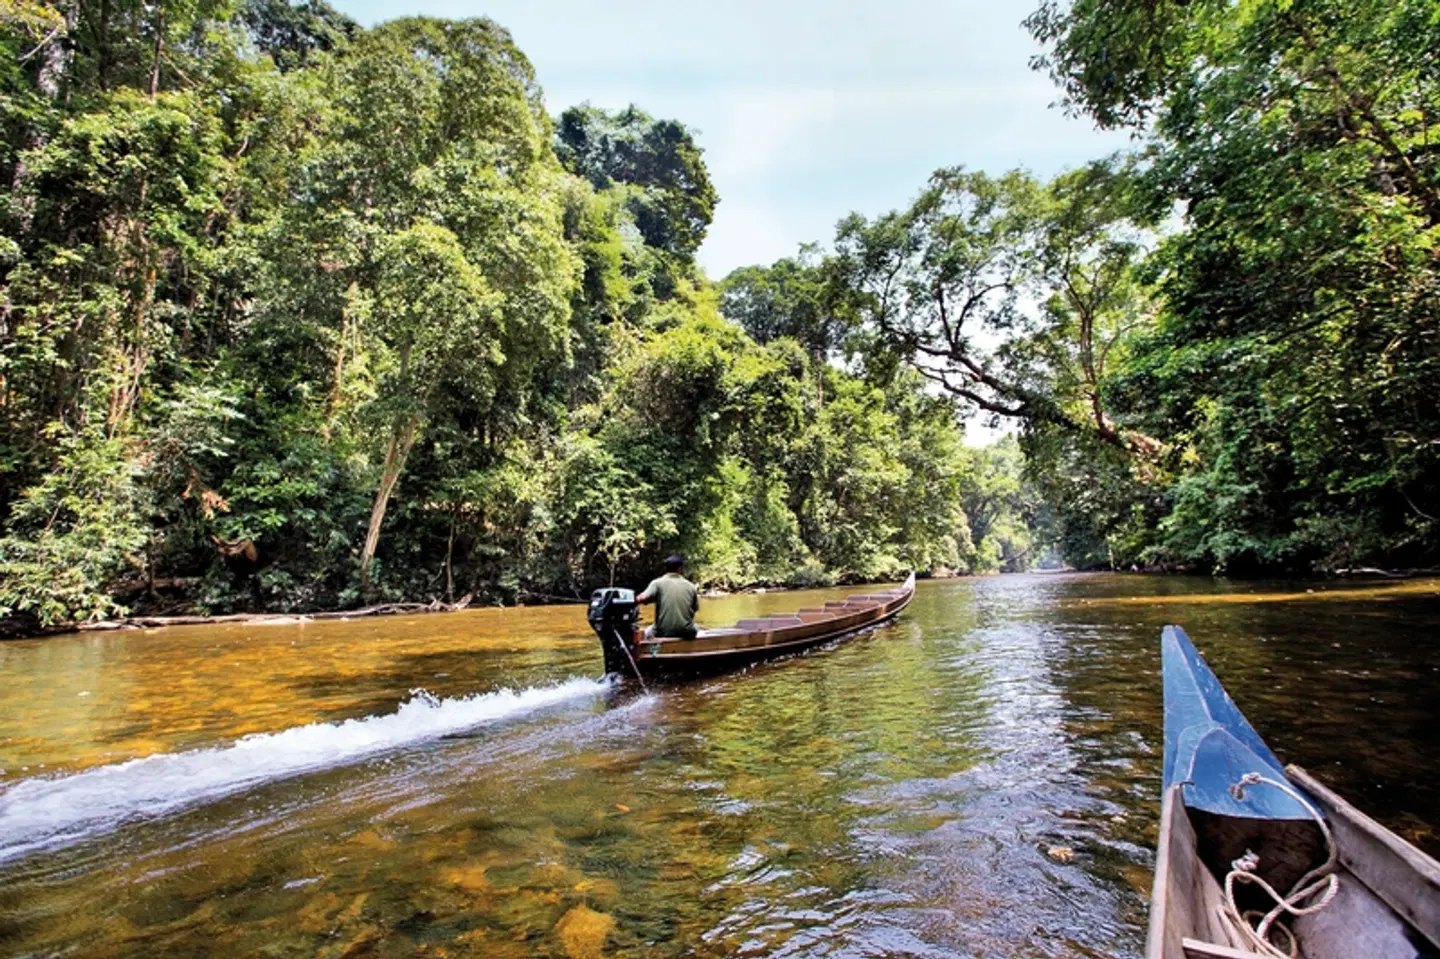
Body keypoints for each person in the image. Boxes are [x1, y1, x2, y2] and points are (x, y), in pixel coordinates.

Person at [638, 554, 699, 640]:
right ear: (680, 569)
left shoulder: (657, 583)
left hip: (662, 632)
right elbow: (694, 609)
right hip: (687, 632)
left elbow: (642, 598)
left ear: (666, 569)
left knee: (647, 631)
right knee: (696, 626)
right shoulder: (691, 586)